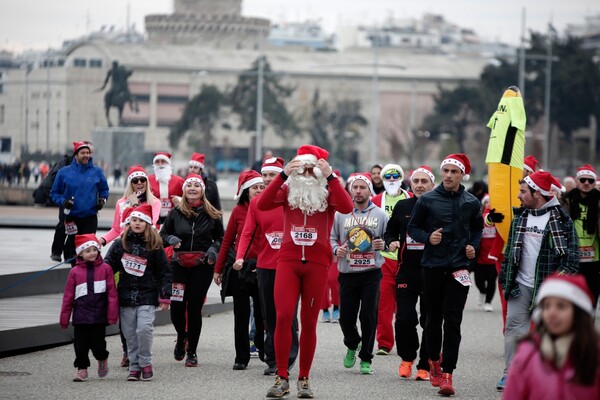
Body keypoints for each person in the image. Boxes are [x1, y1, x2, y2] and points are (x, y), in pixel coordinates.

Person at [257, 145, 353, 399]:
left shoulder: (328, 192)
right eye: (304, 168)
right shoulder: (288, 190)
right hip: (288, 260)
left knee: (309, 322)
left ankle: (304, 379)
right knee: (283, 316)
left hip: (317, 264)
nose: (308, 173)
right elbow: (261, 203)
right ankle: (281, 376)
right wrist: (282, 175)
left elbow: (347, 207)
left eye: (313, 168)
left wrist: (331, 177)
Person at [497, 170, 580, 391]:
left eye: (523, 192)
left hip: (548, 288)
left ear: (538, 193)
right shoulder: (521, 216)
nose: (519, 196)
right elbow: (509, 253)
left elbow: (572, 258)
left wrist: (558, 286)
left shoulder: (562, 220)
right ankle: (511, 373)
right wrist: (505, 278)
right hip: (520, 285)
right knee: (514, 329)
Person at [408, 153, 483, 396]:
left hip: (459, 267)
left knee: (453, 322)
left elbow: (478, 228)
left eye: (454, 171)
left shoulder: (471, 202)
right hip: (432, 267)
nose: (449, 175)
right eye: (446, 171)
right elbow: (413, 228)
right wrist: (428, 237)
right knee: (431, 319)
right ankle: (433, 361)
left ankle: (448, 373)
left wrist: (473, 245)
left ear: (463, 175)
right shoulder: (427, 200)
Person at [235, 156, 300, 377]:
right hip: (266, 266)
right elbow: (247, 232)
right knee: (269, 315)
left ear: (282, 175)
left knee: (287, 314)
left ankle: (289, 357)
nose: (267, 179)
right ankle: (273, 359)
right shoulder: (257, 202)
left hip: (290, 265)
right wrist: (240, 256)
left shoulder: (291, 199)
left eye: (272, 174)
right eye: (264, 175)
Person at [160, 174, 223, 367]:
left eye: (197, 185)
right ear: (184, 191)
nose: (193, 188)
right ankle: (181, 337)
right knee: (177, 307)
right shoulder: (175, 213)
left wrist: (213, 250)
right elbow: (162, 234)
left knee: (194, 309)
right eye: (189, 186)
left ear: (202, 190)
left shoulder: (213, 214)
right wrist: (170, 239)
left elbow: (221, 238)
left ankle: (192, 352)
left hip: (201, 267)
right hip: (178, 265)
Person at [503, 273, 600, 398]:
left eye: (561, 306)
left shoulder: (594, 354)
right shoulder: (527, 354)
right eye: (546, 306)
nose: (552, 313)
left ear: (579, 312)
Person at [104, 204, 171, 381]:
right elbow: (108, 265)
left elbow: (165, 271)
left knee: (144, 330)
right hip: (125, 297)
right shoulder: (120, 244)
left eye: (141, 220)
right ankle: (134, 366)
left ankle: (146, 363)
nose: (137, 223)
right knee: (130, 334)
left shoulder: (155, 246)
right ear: (129, 222)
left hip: (147, 296)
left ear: (148, 224)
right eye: (134, 220)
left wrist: (165, 295)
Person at [330, 172, 388, 375]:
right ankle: (353, 343)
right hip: (347, 273)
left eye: (362, 187)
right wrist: (337, 250)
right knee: (346, 318)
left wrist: (384, 244)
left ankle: (366, 358)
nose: (358, 191)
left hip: (371, 273)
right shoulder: (340, 214)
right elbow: (332, 239)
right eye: (355, 187)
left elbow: (390, 242)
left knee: (368, 316)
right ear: (349, 190)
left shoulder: (381, 215)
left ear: (369, 190)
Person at [384, 165, 436, 381]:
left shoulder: (439, 207)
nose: (420, 185)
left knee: (429, 320)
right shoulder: (403, 205)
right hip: (406, 271)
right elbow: (390, 231)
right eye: (416, 181)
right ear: (411, 184)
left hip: (433, 271)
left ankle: (425, 363)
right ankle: (407, 357)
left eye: (424, 181)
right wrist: (391, 241)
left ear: (432, 184)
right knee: (405, 318)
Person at [213, 170, 265, 370]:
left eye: (262, 187)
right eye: (255, 188)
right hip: (240, 267)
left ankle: (261, 346)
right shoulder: (238, 211)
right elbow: (226, 242)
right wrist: (218, 270)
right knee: (241, 314)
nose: (259, 190)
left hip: (262, 268)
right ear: (246, 191)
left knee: (261, 313)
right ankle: (241, 357)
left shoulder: (269, 208)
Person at [59, 234, 118, 382]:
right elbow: (68, 297)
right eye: (87, 251)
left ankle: (102, 358)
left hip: (99, 316)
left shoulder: (106, 269)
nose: (92, 253)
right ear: (80, 253)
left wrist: (112, 315)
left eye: (94, 250)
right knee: (80, 345)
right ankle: (82, 369)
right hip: (81, 317)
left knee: (98, 345)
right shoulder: (74, 272)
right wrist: (64, 318)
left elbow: (112, 294)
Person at [371, 163, 412, 356]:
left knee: (406, 306)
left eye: (396, 177)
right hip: (384, 259)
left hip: (408, 259)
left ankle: (407, 342)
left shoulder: (411, 198)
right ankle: (384, 343)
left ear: (402, 178)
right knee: (384, 303)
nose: (392, 181)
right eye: (388, 178)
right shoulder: (376, 200)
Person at [50, 141, 109, 265]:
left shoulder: (97, 171)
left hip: (90, 217)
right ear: (76, 155)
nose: (86, 155)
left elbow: (104, 190)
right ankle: (76, 275)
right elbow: (54, 193)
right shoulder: (64, 172)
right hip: (72, 218)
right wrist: (64, 202)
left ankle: (89, 275)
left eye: (88, 153)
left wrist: (102, 200)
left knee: (89, 247)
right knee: (74, 249)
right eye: (83, 153)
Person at [560, 164, 600, 309]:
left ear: (594, 183)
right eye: (583, 180)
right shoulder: (566, 200)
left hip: (594, 258)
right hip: (572, 256)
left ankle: (588, 321)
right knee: (572, 293)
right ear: (577, 181)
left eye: (590, 181)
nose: (586, 183)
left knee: (593, 294)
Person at [100, 165, 161, 247]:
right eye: (135, 181)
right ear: (130, 184)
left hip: (145, 246)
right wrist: (102, 240)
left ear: (146, 182)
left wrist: (135, 205)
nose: (139, 182)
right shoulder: (121, 203)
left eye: (142, 180)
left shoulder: (155, 202)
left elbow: (149, 224)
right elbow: (116, 229)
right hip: (125, 245)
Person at [474, 195, 503, 312]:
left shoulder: (499, 219)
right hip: (480, 257)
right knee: (479, 281)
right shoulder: (480, 218)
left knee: (491, 281)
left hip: (493, 257)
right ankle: (482, 291)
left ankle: (488, 302)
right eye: (486, 202)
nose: (488, 204)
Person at [148, 152, 185, 225]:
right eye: (157, 162)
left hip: (173, 221)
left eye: (163, 161)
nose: (160, 164)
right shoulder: (148, 180)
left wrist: (180, 200)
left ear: (168, 164)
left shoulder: (179, 181)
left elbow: (188, 199)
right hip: (153, 221)